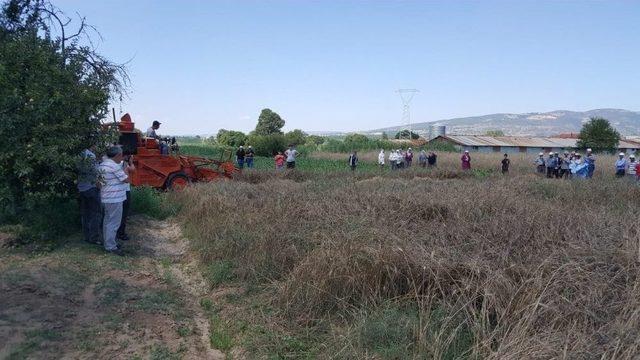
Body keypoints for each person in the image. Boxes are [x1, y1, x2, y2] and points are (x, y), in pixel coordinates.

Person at [98, 146, 131, 256]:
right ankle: (111, 247)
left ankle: (108, 243)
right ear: (117, 155)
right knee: (114, 223)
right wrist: (126, 167)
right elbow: (127, 179)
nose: (122, 158)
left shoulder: (102, 165)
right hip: (115, 198)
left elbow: (99, 184)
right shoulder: (115, 167)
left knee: (107, 221)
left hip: (105, 198)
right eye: (121, 155)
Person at [77, 144, 102, 245]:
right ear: (93, 144)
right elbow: (97, 171)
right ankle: (94, 238)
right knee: (96, 213)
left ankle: (86, 236)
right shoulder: (91, 155)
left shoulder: (79, 154)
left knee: (85, 214)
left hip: (81, 187)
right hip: (91, 188)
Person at [116, 154, 135, 242]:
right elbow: (133, 170)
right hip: (125, 191)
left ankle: (115, 232)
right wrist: (131, 162)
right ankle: (121, 233)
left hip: (116, 192)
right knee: (123, 214)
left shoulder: (113, 165)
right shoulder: (124, 164)